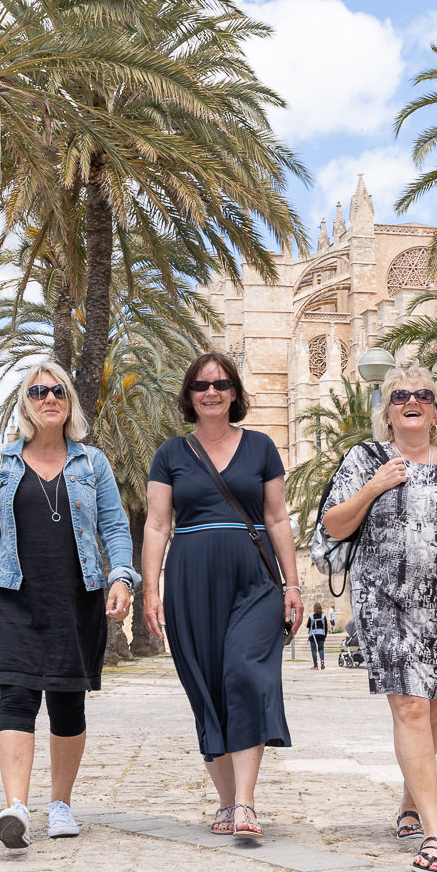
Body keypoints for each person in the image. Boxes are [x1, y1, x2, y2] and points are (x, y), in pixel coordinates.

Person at [319, 365, 437, 872]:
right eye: (399, 396)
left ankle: (411, 802)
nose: (411, 401)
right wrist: (374, 486)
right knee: (412, 707)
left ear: (436, 412)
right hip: (384, 602)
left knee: (432, 711)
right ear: (387, 413)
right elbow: (333, 523)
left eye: (423, 395)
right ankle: (436, 834)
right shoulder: (366, 458)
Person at [0, 359, 135, 849]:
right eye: (38, 393)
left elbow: (115, 528)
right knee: (16, 697)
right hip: (15, 595)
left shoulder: (91, 463)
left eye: (57, 391)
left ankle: (60, 803)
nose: (49, 399)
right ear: (25, 405)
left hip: (77, 595)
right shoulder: (0, 463)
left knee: (66, 701)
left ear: (70, 401)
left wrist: (121, 578)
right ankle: (15, 806)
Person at [144, 352, 300, 840]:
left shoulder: (261, 447)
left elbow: (276, 518)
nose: (211, 391)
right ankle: (227, 801)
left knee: (247, 674)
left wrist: (292, 584)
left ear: (235, 393)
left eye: (221, 383)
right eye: (201, 385)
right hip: (191, 578)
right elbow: (156, 523)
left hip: (254, 577)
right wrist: (151, 589)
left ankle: (247, 803)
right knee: (206, 684)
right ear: (189, 396)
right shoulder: (170, 453)